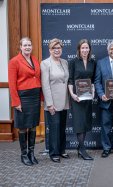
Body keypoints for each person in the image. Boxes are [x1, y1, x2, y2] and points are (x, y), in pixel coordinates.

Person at [8, 37, 41, 166]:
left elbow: (37, 78)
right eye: (25, 45)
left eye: (29, 45)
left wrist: (41, 97)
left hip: (35, 96)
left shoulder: (34, 59)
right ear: (20, 47)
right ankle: (23, 155)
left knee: (33, 125)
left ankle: (31, 153)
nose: (27, 47)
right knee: (22, 126)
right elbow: (11, 84)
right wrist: (16, 102)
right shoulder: (14, 61)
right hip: (23, 97)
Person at [41, 38, 70, 163]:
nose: (57, 50)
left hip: (64, 101)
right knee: (54, 128)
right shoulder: (45, 63)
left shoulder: (65, 62)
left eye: (59, 48)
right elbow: (45, 85)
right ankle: (53, 153)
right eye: (54, 48)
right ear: (50, 50)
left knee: (62, 127)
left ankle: (62, 150)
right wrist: (49, 104)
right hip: (52, 102)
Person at [68, 39, 96, 160]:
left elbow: (93, 80)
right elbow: (70, 80)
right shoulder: (73, 62)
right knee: (79, 122)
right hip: (77, 97)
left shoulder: (92, 62)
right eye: (82, 48)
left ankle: (80, 148)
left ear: (89, 49)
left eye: (87, 48)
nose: (85, 50)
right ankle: (83, 149)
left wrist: (93, 91)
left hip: (88, 97)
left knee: (85, 122)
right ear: (79, 49)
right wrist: (72, 94)